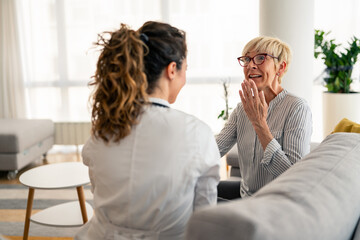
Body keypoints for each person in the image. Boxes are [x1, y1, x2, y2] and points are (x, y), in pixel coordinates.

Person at [75, 21, 220, 240]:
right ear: (172, 69)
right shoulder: (198, 134)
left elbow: (100, 194)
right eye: (185, 69)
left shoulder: (103, 130)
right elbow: (204, 218)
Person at [216, 36, 312, 200]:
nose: (251, 65)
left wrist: (259, 123)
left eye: (261, 58)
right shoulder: (242, 109)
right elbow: (214, 149)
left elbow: (294, 176)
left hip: (275, 205)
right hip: (246, 197)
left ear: (280, 68)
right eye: (246, 59)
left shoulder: (297, 108)